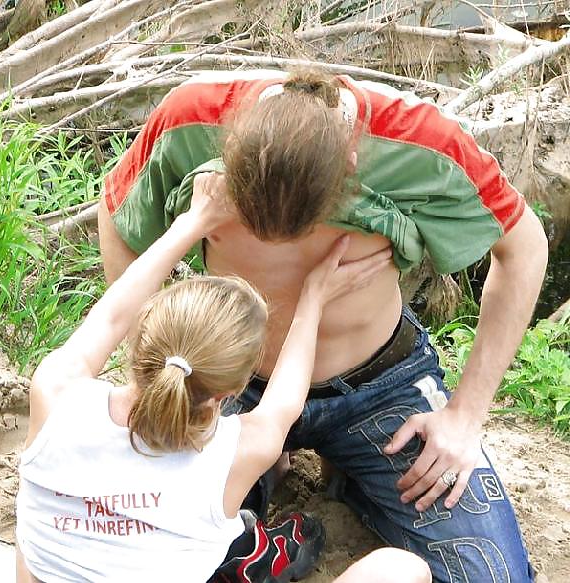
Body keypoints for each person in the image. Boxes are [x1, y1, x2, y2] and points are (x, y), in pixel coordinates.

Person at [97, 67, 548, 582]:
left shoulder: (420, 142)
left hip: (379, 388)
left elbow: (524, 246)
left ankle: (353, 476)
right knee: (138, 538)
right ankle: (262, 492)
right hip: (229, 386)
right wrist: (157, 367)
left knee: (492, 575)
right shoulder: (190, 119)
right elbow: (118, 214)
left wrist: (466, 415)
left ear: (353, 164)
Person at [15, 184, 429, 582]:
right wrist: (314, 297)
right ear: (231, 395)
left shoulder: (55, 393)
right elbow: (285, 402)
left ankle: (242, 552)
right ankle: (248, 554)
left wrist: (191, 223)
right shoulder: (228, 458)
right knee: (402, 571)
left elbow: (109, 315)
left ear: (140, 337)